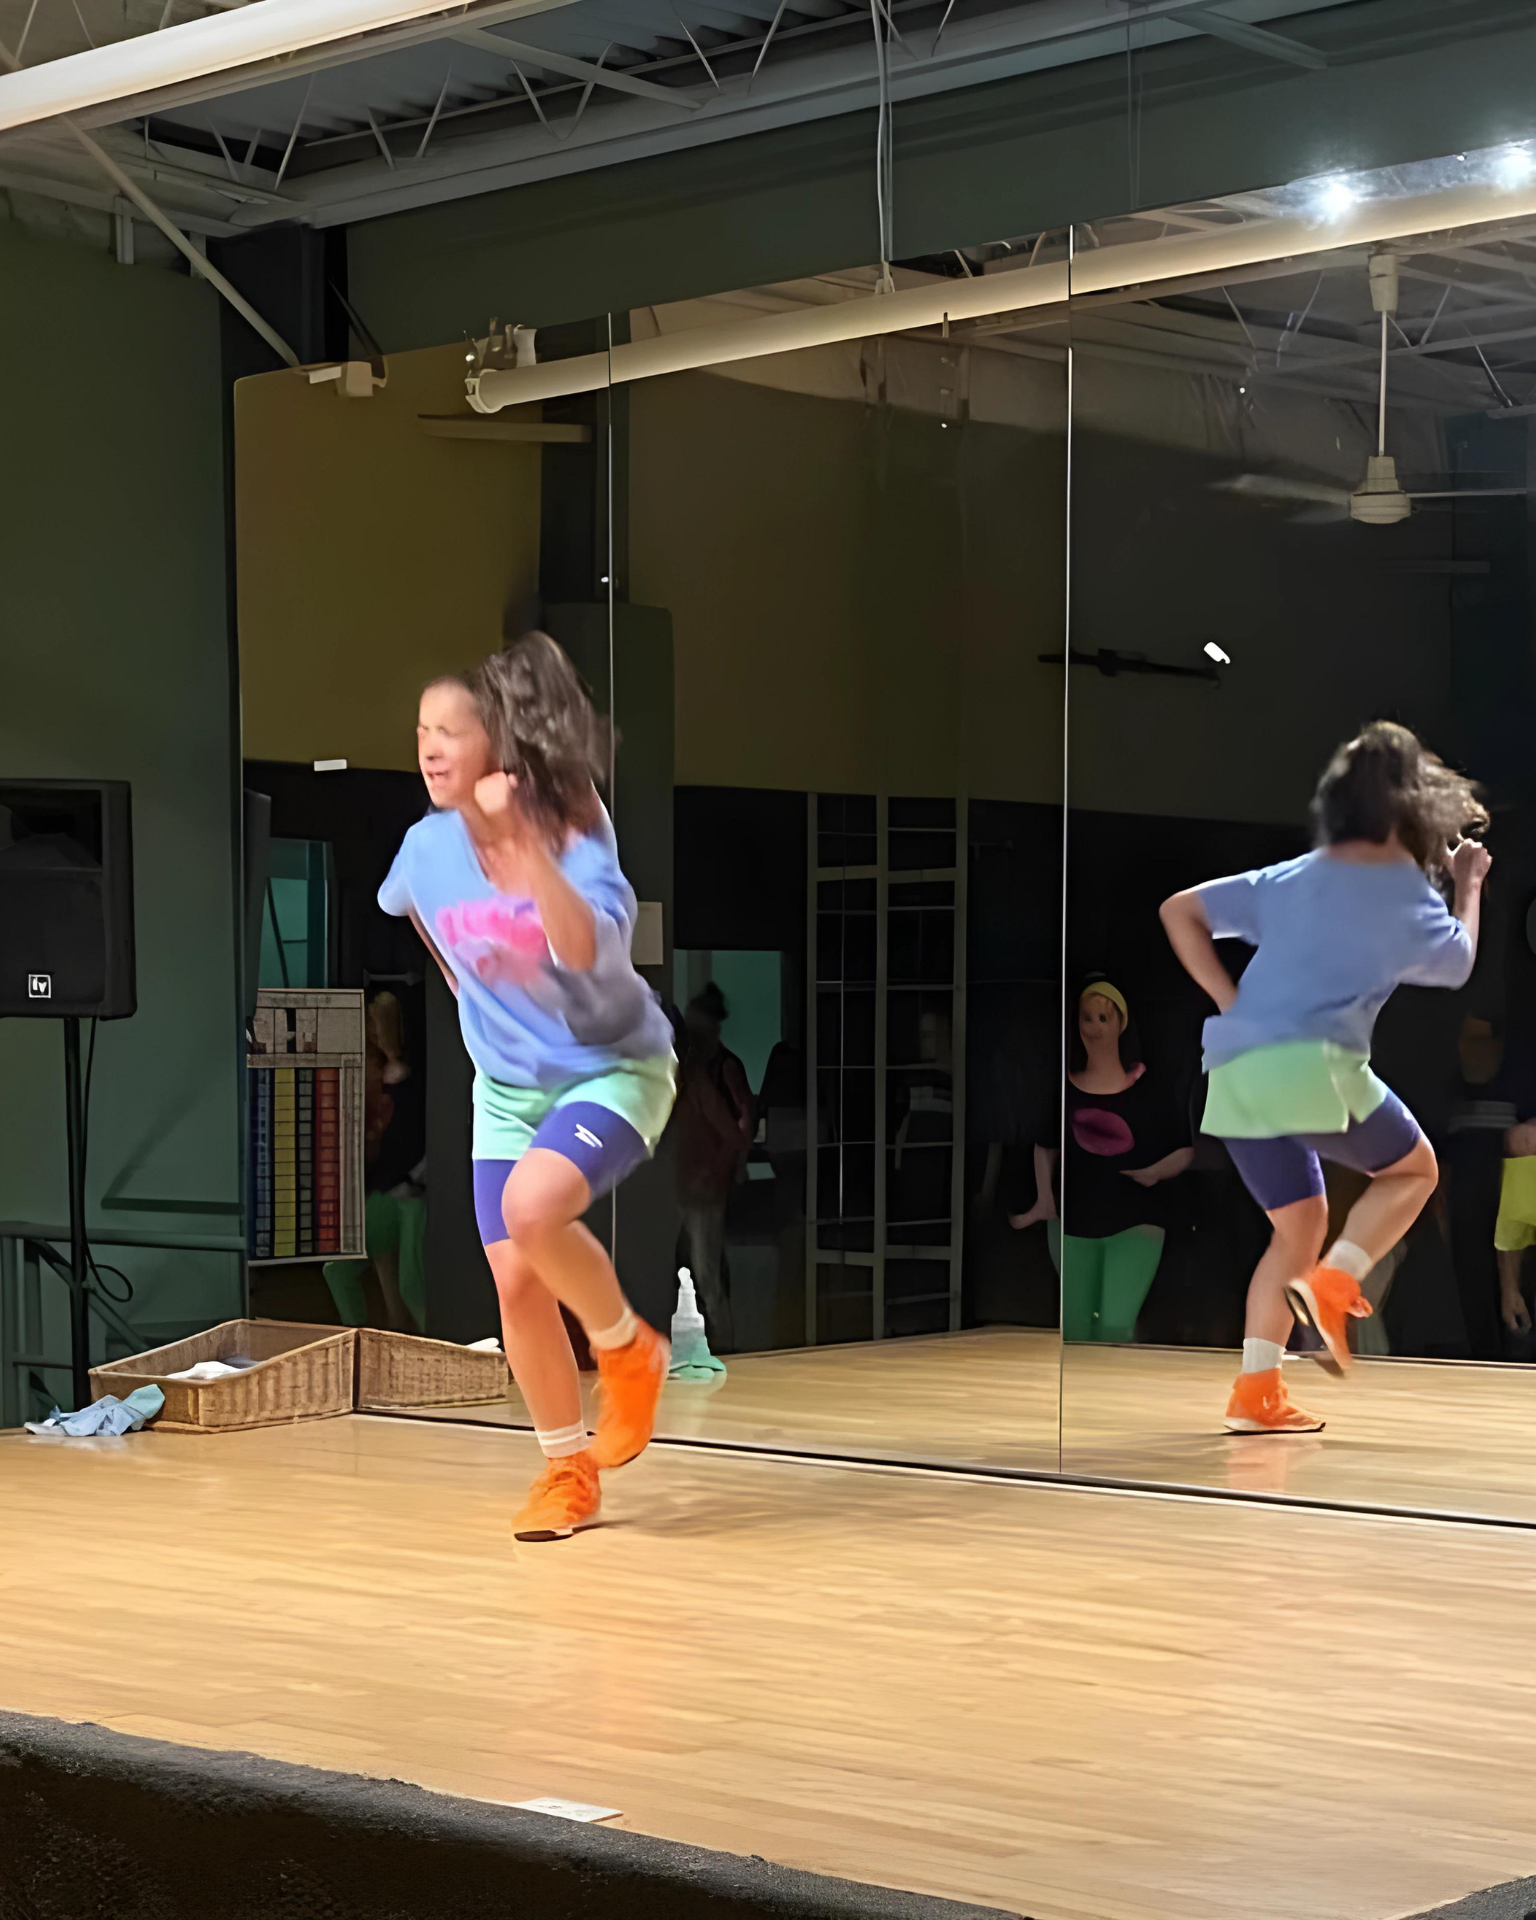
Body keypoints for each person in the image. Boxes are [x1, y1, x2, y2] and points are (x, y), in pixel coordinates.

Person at [378, 635, 677, 1540]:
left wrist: (520, 847)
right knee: (514, 1278)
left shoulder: (573, 828)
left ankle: (628, 1349)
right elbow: (417, 916)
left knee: (535, 1208)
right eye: (421, 730)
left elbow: (585, 948)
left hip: (613, 1068)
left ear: (498, 748)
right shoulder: (424, 848)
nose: (430, 747)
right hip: (507, 1089)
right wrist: (484, 1007)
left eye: (451, 731)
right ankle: (566, 1472)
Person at [1160, 721, 1490, 1434]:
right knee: (1414, 1173)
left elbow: (1179, 910)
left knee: (1297, 1226)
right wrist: (1468, 884)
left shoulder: (1295, 874)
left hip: (1235, 1066)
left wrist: (1228, 1000)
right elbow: (1457, 960)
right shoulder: (1398, 887)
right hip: (1310, 1064)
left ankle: (1256, 1394)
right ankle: (1336, 1287)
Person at [1010, 979, 1193, 1342]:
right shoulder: (1063, 1087)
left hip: (1136, 1222)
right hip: (1073, 1222)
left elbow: (1183, 1149)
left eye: (1102, 1019)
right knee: (1076, 1329)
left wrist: (1154, 1173)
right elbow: (1046, 1146)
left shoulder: (1149, 1089)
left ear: (1121, 1023)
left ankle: (1113, 1395)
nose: (1093, 1028)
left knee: (1116, 1327)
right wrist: (1045, 1201)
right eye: (1087, 1018)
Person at [672, 982, 755, 1350]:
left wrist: (718, 1172)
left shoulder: (715, 1072)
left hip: (703, 1188)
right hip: (682, 1185)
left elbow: (739, 1127)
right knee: (689, 1270)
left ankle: (724, 1347)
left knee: (706, 1273)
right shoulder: (689, 1074)